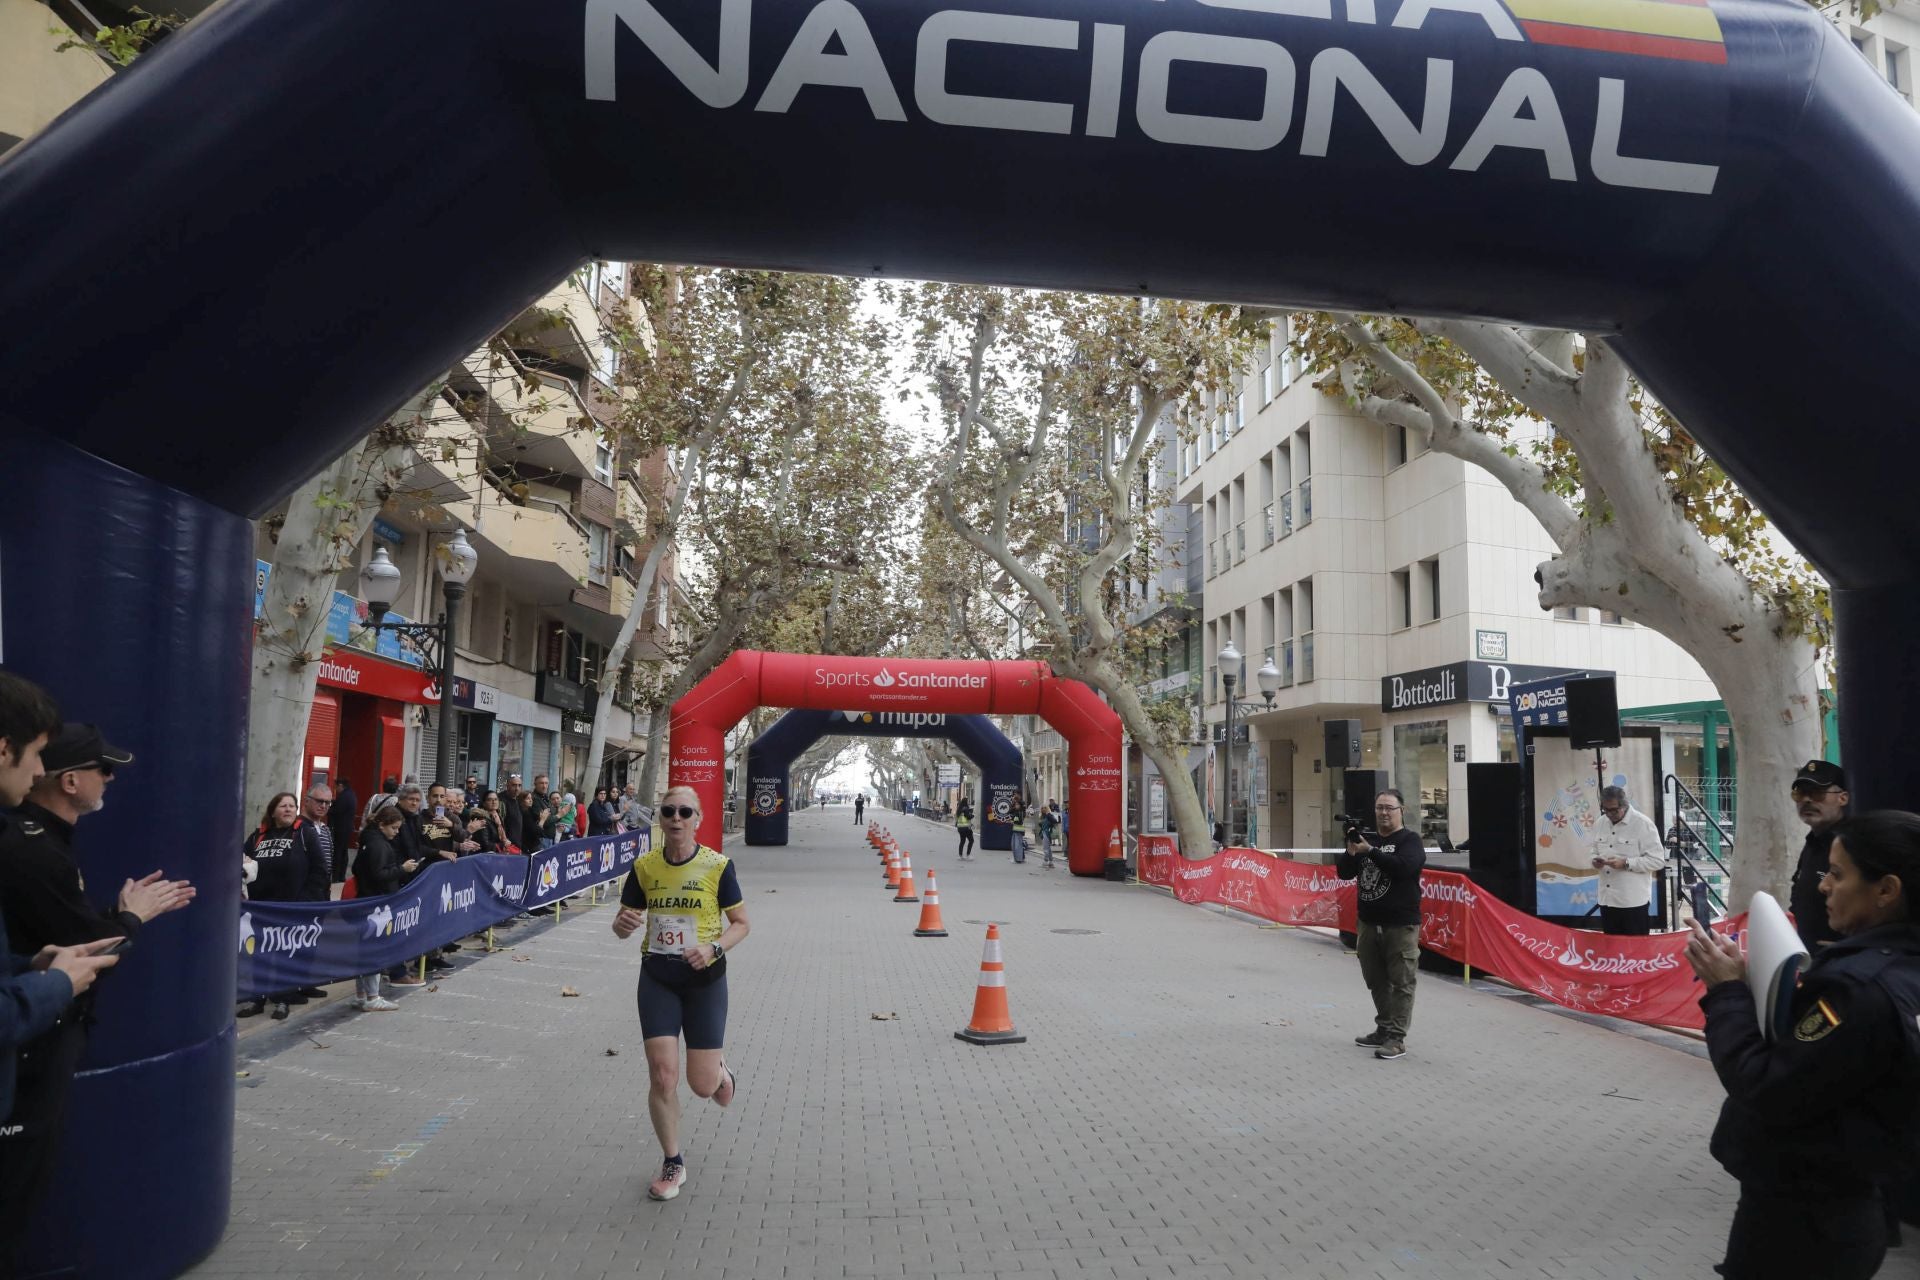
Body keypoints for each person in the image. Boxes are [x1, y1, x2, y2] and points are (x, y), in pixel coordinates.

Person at [1687, 809, 1920, 1280]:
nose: (1823, 887)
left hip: (1805, 1221)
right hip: (1843, 1205)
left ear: (1886, 890)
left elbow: (1767, 1086)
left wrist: (1726, 992)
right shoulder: (1899, 968)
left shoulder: (1857, 989)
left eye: (1837, 874)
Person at [0, 708, 146, 1256]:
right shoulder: (32, 849)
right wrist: (130, 919)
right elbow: (91, 944)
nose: (109, 779)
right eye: (103, 770)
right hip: (33, 1042)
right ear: (70, 781)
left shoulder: (40, 842)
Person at [611, 785, 748, 1202]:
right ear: (660, 818)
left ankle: (719, 1073)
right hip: (658, 977)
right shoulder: (644, 867)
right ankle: (673, 1161)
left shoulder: (717, 866)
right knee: (662, 1075)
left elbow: (742, 923)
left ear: (698, 819)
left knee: (702, 1086)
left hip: (705, 980)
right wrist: (621, 926)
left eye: (685, 812)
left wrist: (714, 947)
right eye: (668, 810)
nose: (676, 818)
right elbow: (623, 922)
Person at [1337, 789, 1427, 1061]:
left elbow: (1404, 868)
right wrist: (1351, 849)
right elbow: (1344, 873)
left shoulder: (1410, 840)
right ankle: (1384, 1028)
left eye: (1389, 808)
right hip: (1368, 923)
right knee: (1375, 980)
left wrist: (1371, 851)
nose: (1384, 813)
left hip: (1400, 925)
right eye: (1379, 808)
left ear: (1402, 810)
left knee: (1402, 982)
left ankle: (1396, 1038)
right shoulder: (1368, 840)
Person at [242, 792, 332, 1018]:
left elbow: (320, 869)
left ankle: (283, 999)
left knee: (286, 955)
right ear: (273, 811)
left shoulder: (304, 833)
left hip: (292, 908)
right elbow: (240, 862)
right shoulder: (257, 836)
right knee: (260, 956)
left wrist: (305, 900)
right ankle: (257, 999)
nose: (289, 809)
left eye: (292, 806)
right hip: (262, 909)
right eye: (283, 806)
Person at [350, 805, 412, 1007]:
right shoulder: (378, 844)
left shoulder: (369, 840)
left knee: (364, 950)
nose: (396, 832)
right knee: (374, 950)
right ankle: (372, 998)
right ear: (382, 824)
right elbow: (379, 874)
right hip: (377, 903)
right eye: (394, 828)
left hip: (369, 900)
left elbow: (357, 868)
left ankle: (362, 995)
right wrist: (402, 869)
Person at [1789, 759, 1850, 953]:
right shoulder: (1813, 842)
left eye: (1817, 793)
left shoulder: (1854, 846)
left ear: (1843, 798)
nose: (1807, 800)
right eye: (1800, 793)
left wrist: (1851, 947)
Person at [1590, 785, 1666, 936]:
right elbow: (1593, 850)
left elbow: (1657, 861)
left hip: (1632, 902)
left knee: (1635, 948)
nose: (1609, 814)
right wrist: (1594, 860)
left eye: (1613, 810)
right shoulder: (1600, 823)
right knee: (1611, 946)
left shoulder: (1642, 823)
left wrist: (1626, 863)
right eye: (1605, 810)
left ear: (1624, 805)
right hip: (1607, 899)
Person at [302, 784, 337, 895]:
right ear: (306, 801)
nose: (323, 806)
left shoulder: (325, 829)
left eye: (327, 803)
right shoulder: (298, 828)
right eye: (319, 801)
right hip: (304, 893)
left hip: (322, 893)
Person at [329, 775, 359, 877]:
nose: (335, 789)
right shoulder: (351, 794)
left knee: (338, 851)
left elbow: (337, 811)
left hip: (341, 827)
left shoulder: (344, 796)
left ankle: (336, 874)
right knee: (343, 851)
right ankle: (341, 874)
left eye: (336, 787)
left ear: (341, 785)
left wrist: (330, 809)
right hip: (347, 827)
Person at [499, 774, 525, 850]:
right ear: (507, 786)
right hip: (506, 845)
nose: (517, 788)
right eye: (514, 785)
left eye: (519, 785)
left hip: (518, 844)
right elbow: (499, 823)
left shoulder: (519, 799)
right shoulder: (501, 801)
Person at [1038, 799, 1060, 869]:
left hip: (1047, 833)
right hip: (1044, 833)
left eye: (1045, 808)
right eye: (1042, 808)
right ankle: (1050, 862)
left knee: (1046, 848)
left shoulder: (1048, 815)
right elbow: (1041, 824)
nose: (1043, 809)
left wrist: (1048, 815)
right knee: (1048, 848)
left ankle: (1045, 861)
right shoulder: (1042, 816)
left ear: (1047, 808)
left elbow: (1055, 821)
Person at [1008, 794, 1029, 865]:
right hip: (1017, 828)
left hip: (1018, 828)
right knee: (1015, 844)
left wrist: (1012, 821)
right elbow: (1010, 811)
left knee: (1017, 844)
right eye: (1015, 804)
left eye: (1017, 804)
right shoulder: (1018, 811)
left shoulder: (1020, 812)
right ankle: (1019, 858)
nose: (1016, 805)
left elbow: (1019, 820)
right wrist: (1013, 805)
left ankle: (1019, 859)